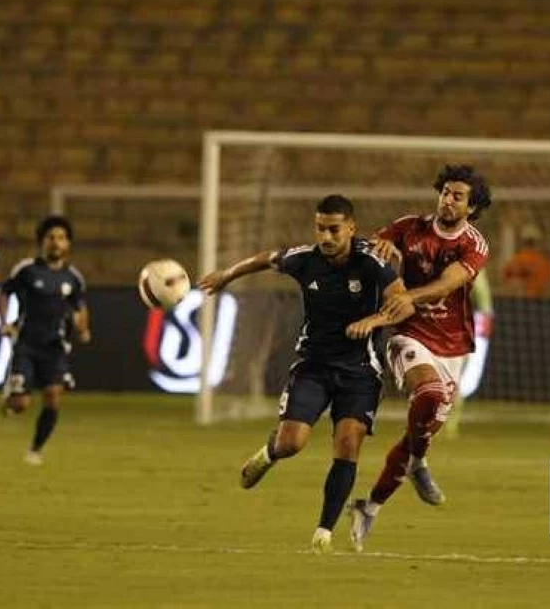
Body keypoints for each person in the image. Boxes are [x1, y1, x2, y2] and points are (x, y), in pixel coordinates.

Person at [197, 195, 410, 554]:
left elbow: (403, 303)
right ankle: (269, 453)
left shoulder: (373, 262)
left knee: (348, 444)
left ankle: (323, 532)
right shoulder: (305, 259)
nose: (326, 237)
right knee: (292, 443)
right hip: (313, 366)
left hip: (360, 371)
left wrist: (373, 321)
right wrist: (226, 275)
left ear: (351, 228)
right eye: (320, 229)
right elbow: (266, 258)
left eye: (334, 229)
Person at [348, 164, 491, 552]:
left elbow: (446, 285)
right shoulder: (409, 227)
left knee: (422, 427)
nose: (448, 200)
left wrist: (408, 295)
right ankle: (418, 462)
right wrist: (381, 250)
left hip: (453, 345)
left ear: (472, 207)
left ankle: (369, 506)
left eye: (458, 196)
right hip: (408, 333)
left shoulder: (475, 245)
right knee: (428, 394)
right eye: (445, 192)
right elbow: (374, 249)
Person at [0, 216, 90, 466]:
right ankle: (11, 395)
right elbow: (4, 292)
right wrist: (4, 322)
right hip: (26, 344)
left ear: (68, 243)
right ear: (42, 242)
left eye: (61, 238)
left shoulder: (73, 277)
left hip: (55, 347)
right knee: (21, 404)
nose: (56, 242)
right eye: (51, 237)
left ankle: (35, 450)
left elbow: (80, 306)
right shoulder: (27, 270)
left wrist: (83, 327)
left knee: (53, 396)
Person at [444, 267, 494, 439]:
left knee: (458, 377)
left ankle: (449, 423)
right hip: (468, 322)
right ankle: (449, 424)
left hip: (471, 323)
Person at [501, 223, 550, 298]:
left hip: (516, 301)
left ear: (522, 241)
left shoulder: (514, 261)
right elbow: (549, 286)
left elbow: (506, 281)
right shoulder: (544, 263)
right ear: (538, 242)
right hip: (537, 301)